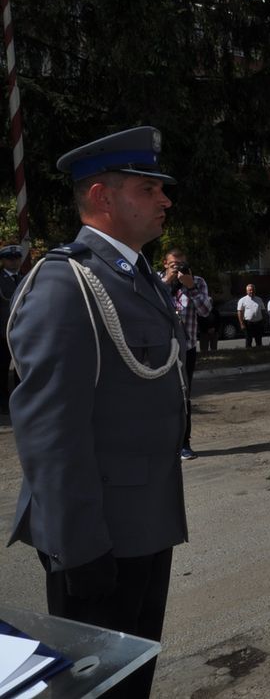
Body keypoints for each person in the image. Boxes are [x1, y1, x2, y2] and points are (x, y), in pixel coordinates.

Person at [6, 126, 188, 699]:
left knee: (132, 680)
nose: (164, 200)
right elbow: (50, 433)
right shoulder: (66, 282)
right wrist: (80, 548)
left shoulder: (136, 277)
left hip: (145, 521)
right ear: (102, 198)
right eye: (148, 188)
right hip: (98, 536)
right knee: (97, 691)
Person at [160, 248, 212, 460]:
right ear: (165, 264)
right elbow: (145, 306)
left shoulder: (197, 281)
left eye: (181, 264)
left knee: (183, 397)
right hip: (160, 348)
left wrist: (190, 287)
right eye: (174, 264)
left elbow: (206, 311)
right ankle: (162, 443)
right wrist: (166, 283)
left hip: (186, 348)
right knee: (159, 396)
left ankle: (184, 444)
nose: (178, 268)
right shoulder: (155, 281)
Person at [0, 244, 24, 415]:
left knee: (21, 368)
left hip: (22, 330)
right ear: (3, 261)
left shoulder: (25, 277)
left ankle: (21, 401)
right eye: (10, 259)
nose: (14, 262)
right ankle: (3, 403)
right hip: (2, 331)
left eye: (16, 259)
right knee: (2, 369)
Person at [237, 283, 266, 348]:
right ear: (247, 291)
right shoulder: (242, 300)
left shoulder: (259, 299)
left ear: (255, 290)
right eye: (250, 290)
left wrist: (264, 320)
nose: (251, 291)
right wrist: (241, 323)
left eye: (253, 290)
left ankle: (259, 353)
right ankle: (249, 353)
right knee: (248, 340)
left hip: (258, 322)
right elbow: (239, 312)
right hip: (248, 323)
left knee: (259, 340)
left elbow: (263, 310)